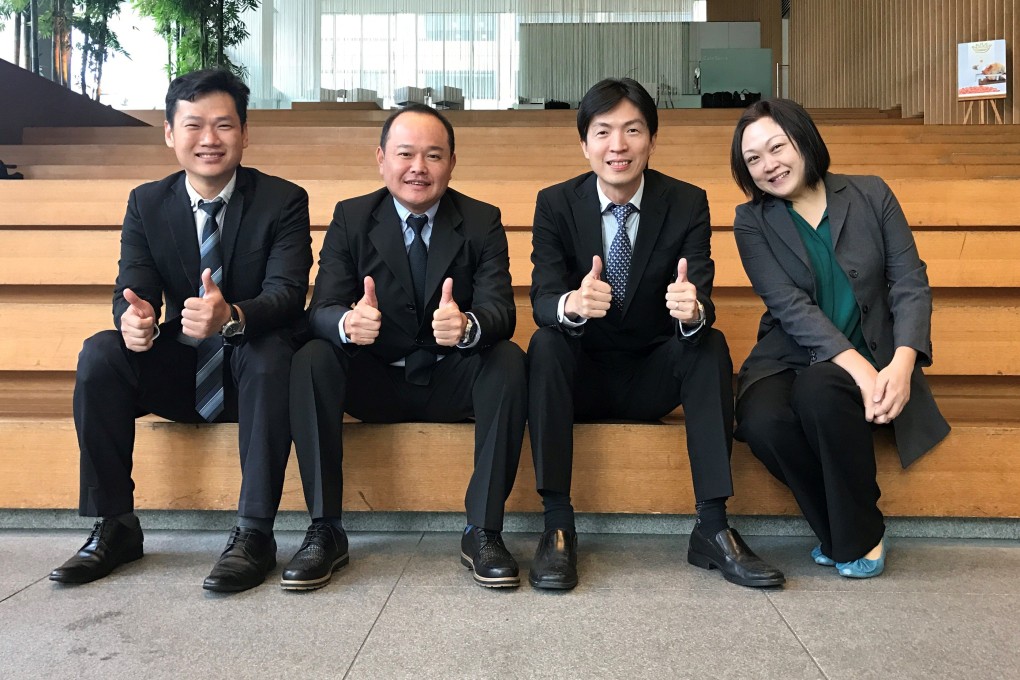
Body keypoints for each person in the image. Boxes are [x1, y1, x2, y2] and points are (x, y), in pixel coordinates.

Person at [49, 69, 313, 593]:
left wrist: (232, 315)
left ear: (244, 133)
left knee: (268, 352)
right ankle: (116, 525)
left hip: (254, 375)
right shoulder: (147, 202)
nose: (209, 139)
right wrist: (135, 319)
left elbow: (287, 294)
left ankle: (254, 534)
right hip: (182, 367)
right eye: (193, 125)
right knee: (101, 353)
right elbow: (134, 283)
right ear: (170, 133)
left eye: (223, 125)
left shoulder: (283, 200)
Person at [526, 78, 784, 590]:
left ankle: (712, 527)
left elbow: (700, 293)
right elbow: (541, 300)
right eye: (603, 132)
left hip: (651, 376)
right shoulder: (555, 203)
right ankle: (557, 524)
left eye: (632, 130)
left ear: (651, 139)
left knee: (708, 342)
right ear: (584, 144)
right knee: (547, 340)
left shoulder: (687, 202)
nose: (617, 145)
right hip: (581, 376)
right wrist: (573, 306)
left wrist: (692, 311)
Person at [283, 104, 527, 590]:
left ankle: (483, 529)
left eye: (433, 155)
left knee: (508, 359)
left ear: (452, 162)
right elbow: (321, 308)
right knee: (312, 356)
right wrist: (349, 323)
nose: (419, 167)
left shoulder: (481, 221)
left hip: (450, 379)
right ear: (380, 158)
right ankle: (324, 529)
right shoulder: (352, 218)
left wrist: (468, 325)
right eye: (406, 154)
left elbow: (503, 311)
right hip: (374, 379)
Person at [729, 98, 950, 578]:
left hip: (875, 357)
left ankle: (854, 538)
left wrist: (902, 365)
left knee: (820, 390)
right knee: (761, 421)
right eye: (753, 160)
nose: (769, 165)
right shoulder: (752, 221)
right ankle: (849, 529)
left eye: (776, 147)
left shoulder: (871, 194)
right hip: (787, 355)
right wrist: (861, 371)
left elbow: (909, 281)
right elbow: (789, 306)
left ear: (803, 140)